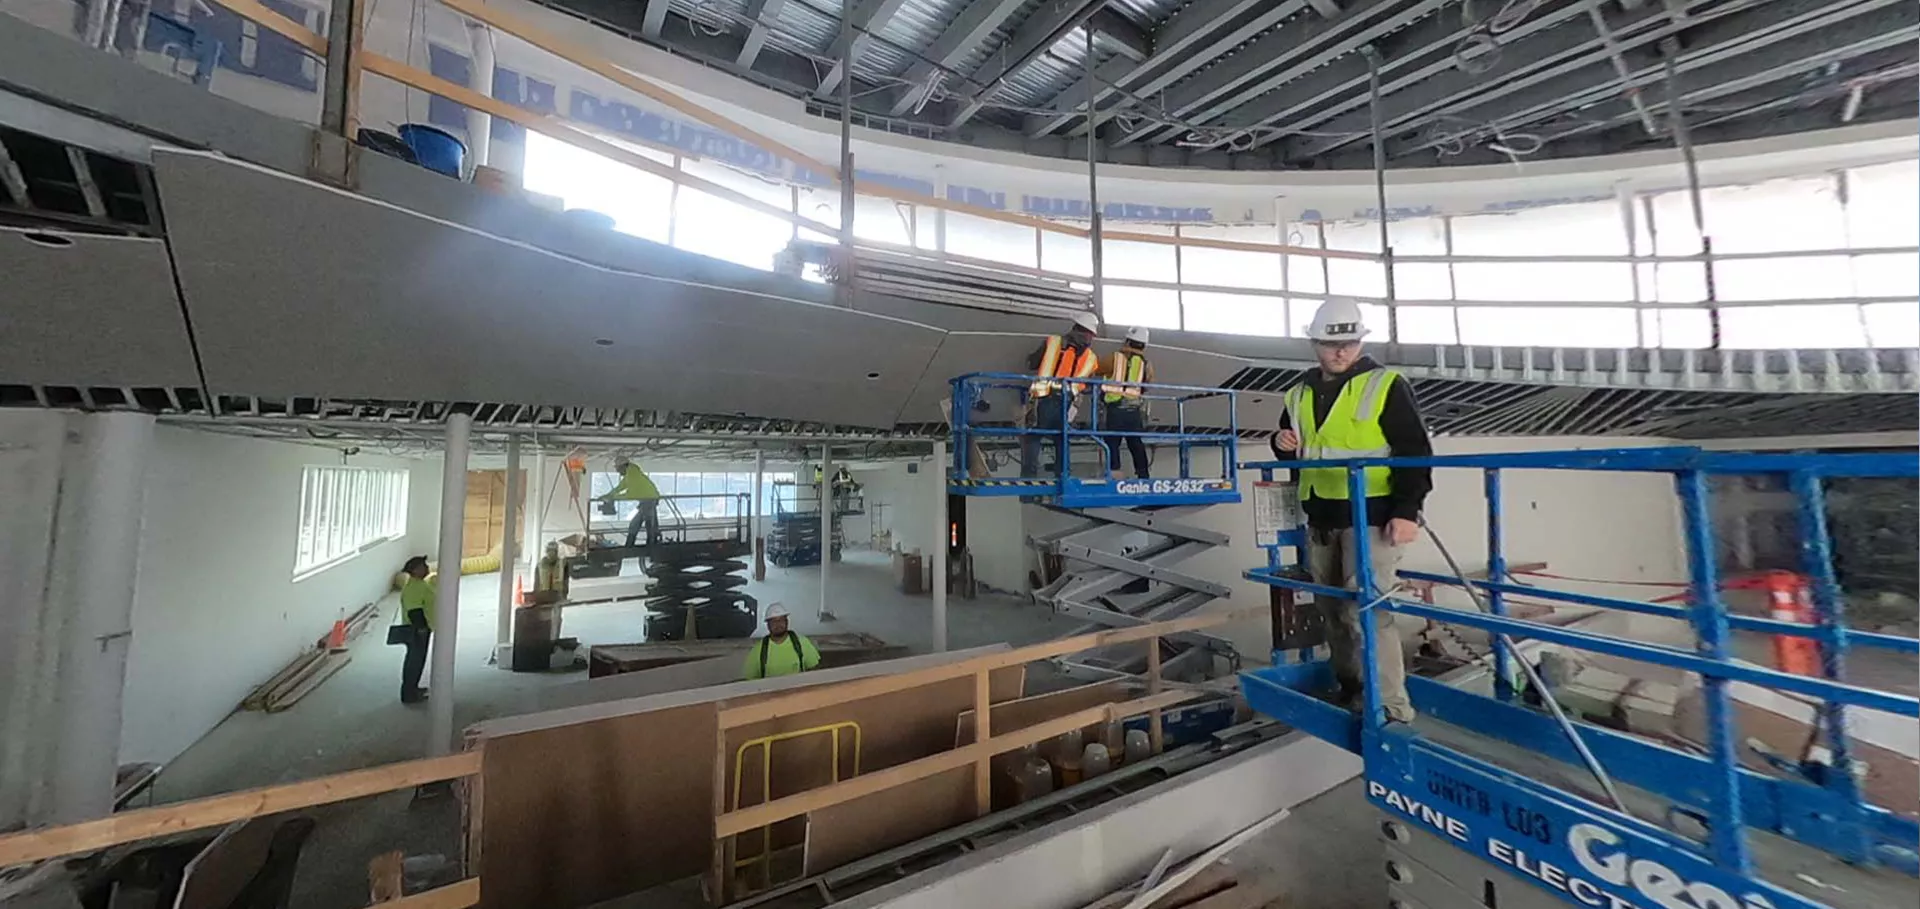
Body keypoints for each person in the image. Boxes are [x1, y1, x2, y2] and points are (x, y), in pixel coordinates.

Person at [1270, 298, 1433, 723]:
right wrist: (1280, 445)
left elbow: (1415, 450)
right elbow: (1298, 450)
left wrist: (1407, 510)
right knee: (1333, 615)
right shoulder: (1297, 393)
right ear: (1314, 343)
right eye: (1330, 343)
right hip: (1321, 519)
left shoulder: (1386, 385)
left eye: (1349, 342)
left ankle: (1392, 707)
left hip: (1373, 518)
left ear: (1360, 341)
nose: (1340, 351)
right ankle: (1355, 690)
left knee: (1369, 613)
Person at [1022, 312, 1102, 477]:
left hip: (1044, 397)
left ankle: (1029, 479)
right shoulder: (1091, 358)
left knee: (1034, 436)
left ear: (1074, 327)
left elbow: (1032, 363)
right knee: (1062, 438)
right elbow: (1087, 385)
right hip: (1067, 402)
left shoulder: (1053, 342)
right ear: (1091, 334)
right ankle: (1063, 476)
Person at [1102, 326, 1155, 479]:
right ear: (1144, 345)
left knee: (1112, 442)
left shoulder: (1115, 358)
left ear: (1127, 341)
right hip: (1134, 410)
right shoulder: (1146, 364)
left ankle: (1115, 474)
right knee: (1136, 443)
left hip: (1115, 408)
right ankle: (1143, 475)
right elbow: (1148, 383)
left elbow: (1097, 369)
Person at [741, 603, 822, 679]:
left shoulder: (802, 643)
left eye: (781, 620)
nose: (778, 624)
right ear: (768, 625)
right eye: (773, 621)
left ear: (787, 621)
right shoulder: (758, 650)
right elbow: (749, 680)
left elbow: (816, 671)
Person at [599, 456, 662, 548]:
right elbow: (621, 487)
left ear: (623, 466)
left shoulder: (633, 475)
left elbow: (631, 494)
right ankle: (645, 547)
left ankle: (644, 549)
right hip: (648, 500)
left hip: (649, 501)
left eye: (618, 469)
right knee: (644, 526)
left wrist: (613, 497)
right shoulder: (630, 473)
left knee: (643, 526)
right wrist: (609, 495)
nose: (617, 471)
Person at [396, 556, 435, 704]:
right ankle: (409, 693)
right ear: (415, 570)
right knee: (414, 662)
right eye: (423, 566)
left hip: (422, 628)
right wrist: (422, 628)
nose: (427, 568)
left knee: (417, 661)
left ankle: (413, 688)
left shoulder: (420, 584)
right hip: (417, 630)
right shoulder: (414, 587)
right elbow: (414, 610)